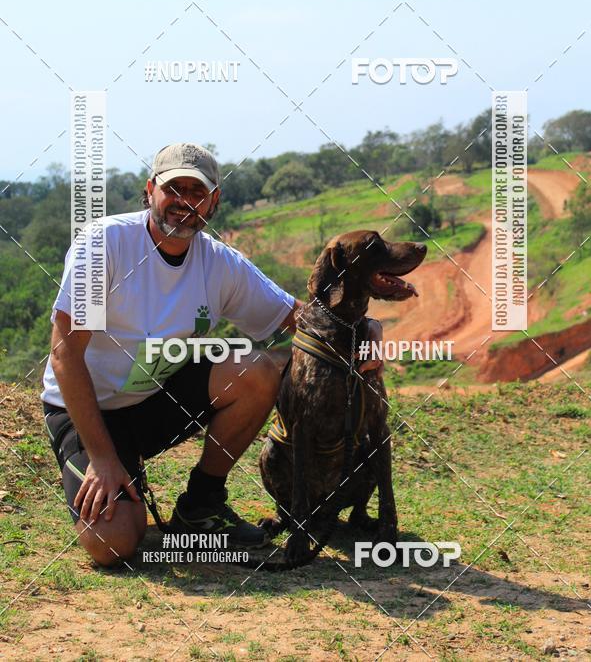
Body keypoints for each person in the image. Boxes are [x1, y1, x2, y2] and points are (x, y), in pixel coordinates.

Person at [41, 142, 382, 567]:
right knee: (113, 545)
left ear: (214, 200)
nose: (185, 202)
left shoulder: (220, 264)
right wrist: (103, 458)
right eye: (174, 188)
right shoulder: (105, 245)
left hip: (153, 401)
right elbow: (64, 357)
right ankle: (114, 474)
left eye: (197, 191)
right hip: (86, 410)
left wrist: (365, 329)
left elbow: (301, 318)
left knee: (259, 369)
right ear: (150, 191)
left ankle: (201, 506)